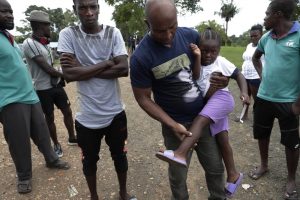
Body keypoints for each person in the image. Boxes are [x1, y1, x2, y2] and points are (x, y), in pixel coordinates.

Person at [130, 0, 229, 199]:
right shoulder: (141, 56)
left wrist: (222, 80)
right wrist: (172, 125)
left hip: (204, 118)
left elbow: (208, 64)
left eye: (172, 27)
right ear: (147, 24)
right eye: (160, 31)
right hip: (175, 125)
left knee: (215, 168)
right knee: (178, 176)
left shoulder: (190, 36)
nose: (168, 36)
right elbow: (143, 98)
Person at [156, 28, 249, 198]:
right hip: (181, 119)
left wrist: (238, 89)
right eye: (205, 50)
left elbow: (235, 74)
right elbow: (197, 81)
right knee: (178, 175)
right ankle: (232, 174)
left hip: (209, 112)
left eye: (213, 51)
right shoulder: (188, 58)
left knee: (214, 166)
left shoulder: (218, 61)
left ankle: (221, 189)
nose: (208, 54)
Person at [57, 0, 135, 199]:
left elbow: (123, 69)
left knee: (120, 156)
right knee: (89, 162)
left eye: (93, 6)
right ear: (75, 9)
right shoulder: (68, 34)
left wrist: (82, 68)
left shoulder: (113, 33)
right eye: (83, 7)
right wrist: (109, 62)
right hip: (87, 117)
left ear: (99, 7)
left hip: (115, 112)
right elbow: (69, 74)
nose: (89, 12)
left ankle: (124, 193)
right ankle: (94, 197)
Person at [0, 0, 70, 194]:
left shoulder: (8, 38)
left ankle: (51, 159)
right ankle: (24, 176)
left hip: (30, 95)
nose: (9, 15)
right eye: (3, 12)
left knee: (42, 131)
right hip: (10, 99)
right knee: (18, 139)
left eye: (11, 11)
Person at [250, 0, 300, 199]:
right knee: (262, 134)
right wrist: (263, 78)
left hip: (289, 101)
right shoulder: (266, 37)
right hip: (263, 98)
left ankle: (291, 178)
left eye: (267, 13)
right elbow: (256, 58)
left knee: (291, 142)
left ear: (278, 14)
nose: (264, 17)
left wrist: (299, 102)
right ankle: (264, 165)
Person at [23, 10, 77, 158]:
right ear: (39, 25)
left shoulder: (44, 43)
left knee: (67, 111)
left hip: (55, 85)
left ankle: (72, 137)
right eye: (48, 25)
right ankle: (56, 144)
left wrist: (61, 75)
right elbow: (46, 68)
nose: (49, 28)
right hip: (43, 88)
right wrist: (67, 75)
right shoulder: (29, 43)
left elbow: (51, 65)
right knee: (50, 117)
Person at [239, 24, 264, 121]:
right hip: (245, 75)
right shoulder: (249, 46)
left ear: (261, 35)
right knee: (245, 96)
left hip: (256, 76)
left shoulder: (264, 45)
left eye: (255, 36)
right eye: (251, 36)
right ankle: (244, 115)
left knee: (257, 100)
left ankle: (258, 119)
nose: (253, 38)